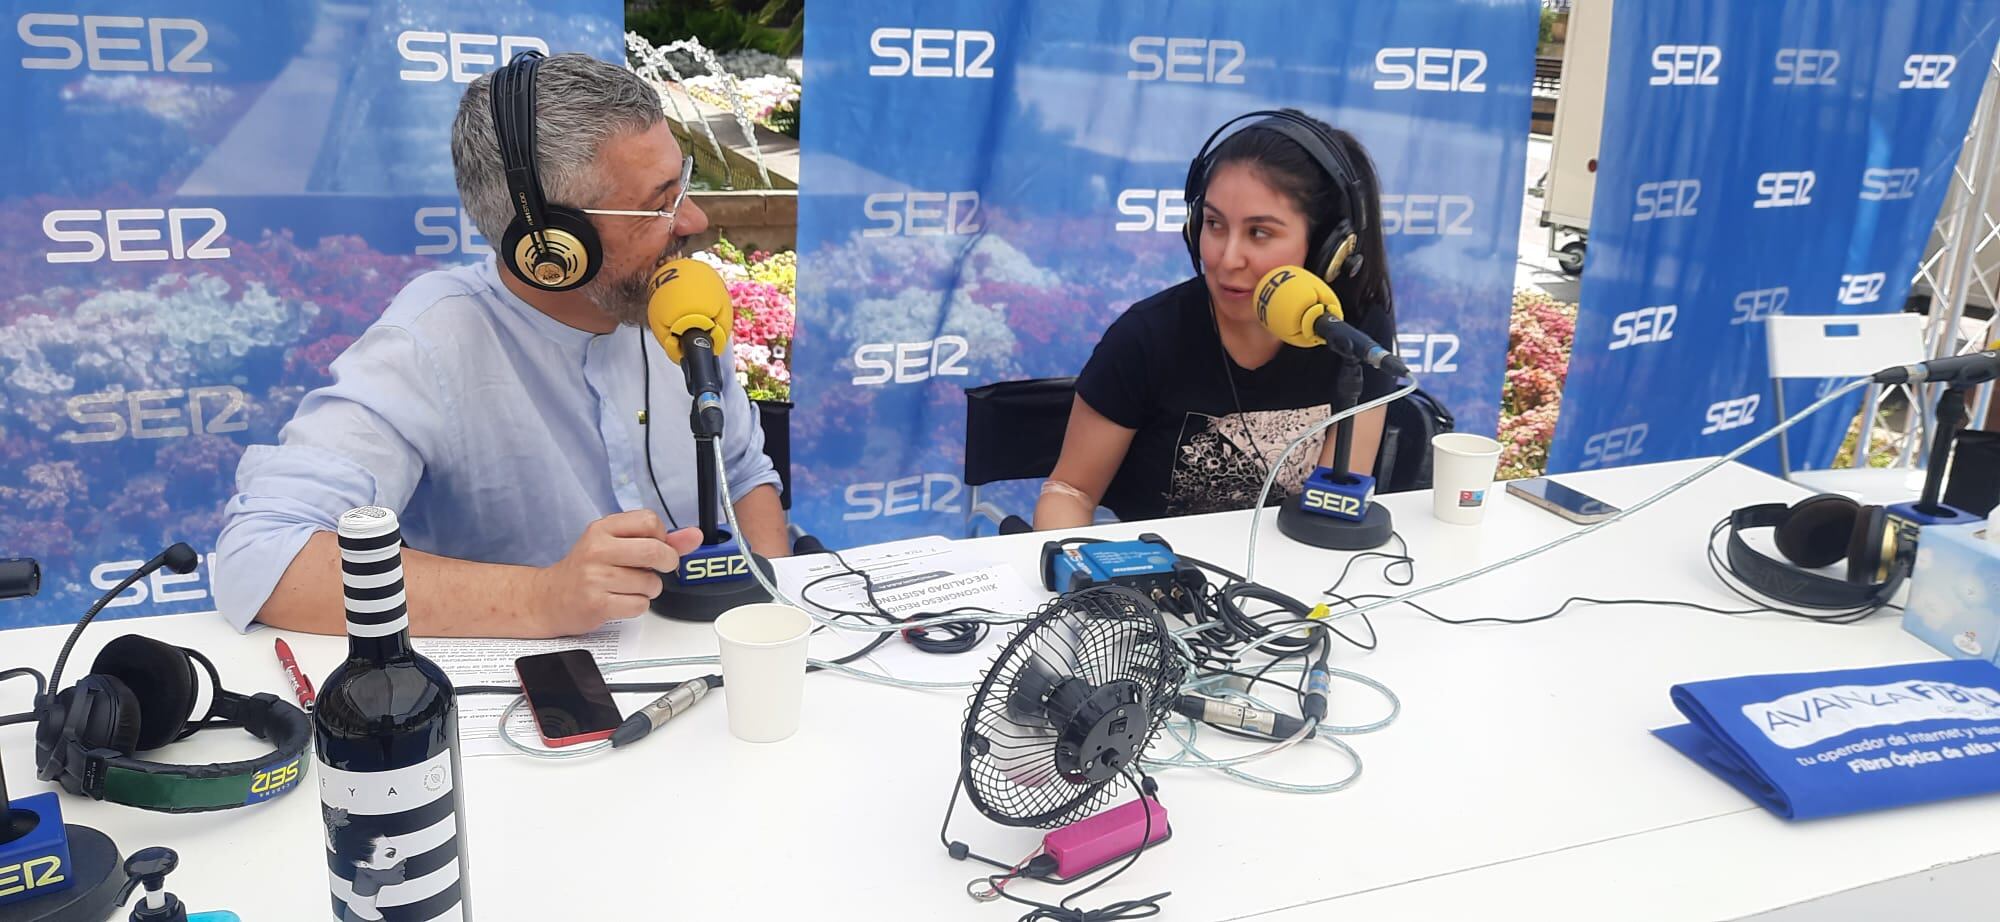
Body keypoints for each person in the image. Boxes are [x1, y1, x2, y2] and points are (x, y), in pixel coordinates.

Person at [215, 53, 787, 638]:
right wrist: (541, 599)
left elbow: (743, 477)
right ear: (553, 244)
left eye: (682, 185)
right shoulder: (429, 341)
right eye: (656, 205)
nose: (691, 220)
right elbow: (263, 554)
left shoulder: (678, 302)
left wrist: (773, 628)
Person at [1034, 110, 1400, 529]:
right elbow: (1070, 492)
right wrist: (1089, 582)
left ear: (1327, 249)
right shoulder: (1145, 338)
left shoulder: (1352, 334)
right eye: (1214, 224)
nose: (1226, 259)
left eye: (1259, 233)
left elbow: (1334, 509)